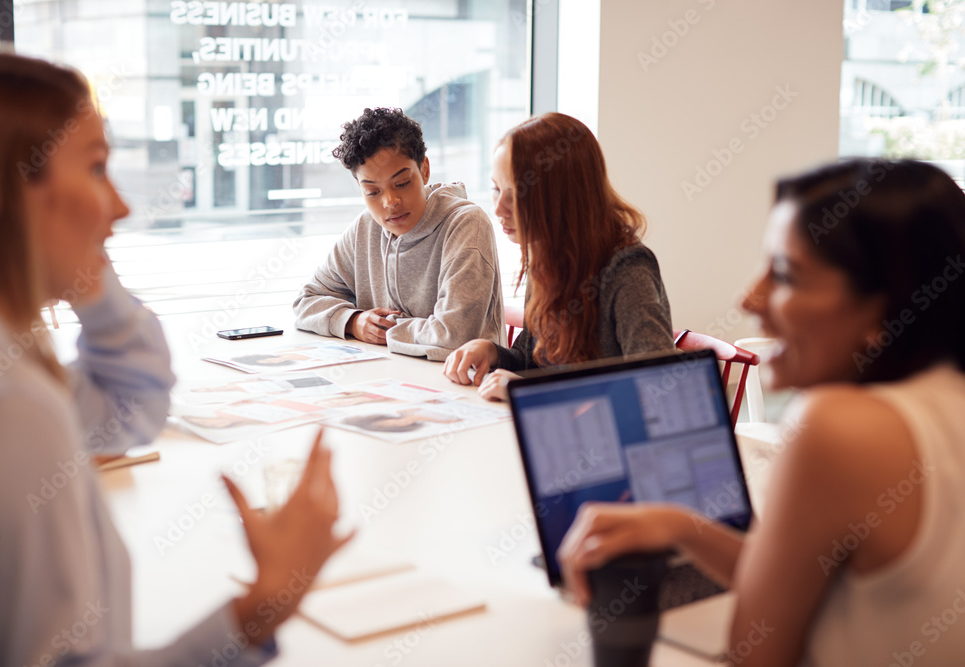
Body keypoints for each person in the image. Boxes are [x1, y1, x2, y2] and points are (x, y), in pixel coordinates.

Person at [0, 51, 348, 666]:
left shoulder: (1, 363)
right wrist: (263, 605)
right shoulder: (5, 404)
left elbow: (130, 407)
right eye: (95, 169)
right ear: (15, 192)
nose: (120, 205)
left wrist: (82, 262)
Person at [557, 159, 965, 665]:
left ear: (883, 309)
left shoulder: (839, 428)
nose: (748, 296)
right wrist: (684, 527)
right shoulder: (940, 402)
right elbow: (799, 577)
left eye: (786, 274)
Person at [442, 112, 673, 401]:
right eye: (496, 189)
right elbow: (534, 363)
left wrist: (534, 392)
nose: (499, 208)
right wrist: (493, 353)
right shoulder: (545, 255)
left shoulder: (628, 270)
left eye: (517, 194)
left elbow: (657, 387)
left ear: (560, 198)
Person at [293, 107, 505, 361]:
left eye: (402, 183)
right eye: (372, 192)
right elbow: (306, 301)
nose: (390, 202)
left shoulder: (465, 224)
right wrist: (353, 321)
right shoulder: (365, 227)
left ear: (424, 169)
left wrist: (386, 328)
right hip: (389, 378)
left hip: (464, 385)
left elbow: (453, 337)